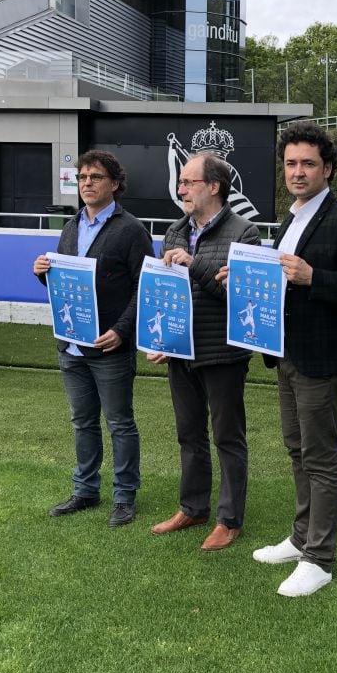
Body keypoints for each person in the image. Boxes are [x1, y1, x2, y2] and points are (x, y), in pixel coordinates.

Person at [230, 121, 337, 597]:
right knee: (297, 451)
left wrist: (315, 276)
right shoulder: (290, 219)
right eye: (291, 163)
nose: (298, 172)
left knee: (320, 458)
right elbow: (282, 281)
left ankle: (319, 558)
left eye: (308, 164)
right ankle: (301, 539)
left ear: (328, 169)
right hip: (288, 353)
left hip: (326, 358)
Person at [33, 150, 153, 526]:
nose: (87, 183)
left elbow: (144, 287)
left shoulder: (131, 229)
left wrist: (122, 331)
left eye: (96, 177)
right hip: (71, 344)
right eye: (83, 176)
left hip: (109, 346)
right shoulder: (71, 226)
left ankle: (124, 496)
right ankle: (85, 490)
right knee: (82, 422)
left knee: (119, 423)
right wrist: (43, 272)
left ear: (114, 184)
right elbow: (68, 280)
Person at [148, 152, 260, 551]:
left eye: (188, 182)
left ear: (214, 187)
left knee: (227, 437)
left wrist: (195, 265)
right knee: (188, 434)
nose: (181, 189)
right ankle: (193, 508)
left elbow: (240, 299)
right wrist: (159, 339)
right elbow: (164, 294)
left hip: (223, 354)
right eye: (180, 183)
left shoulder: (245, 234)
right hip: (181, 351)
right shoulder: (174, 231)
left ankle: (229, 520)